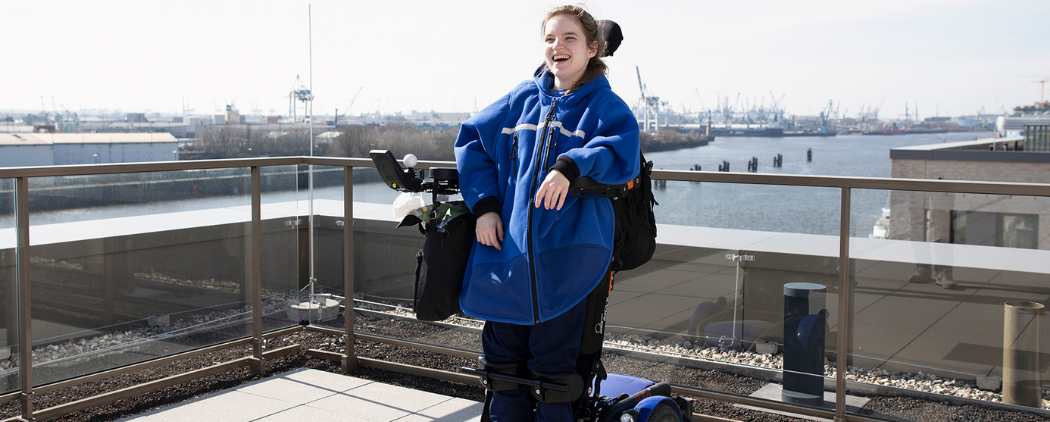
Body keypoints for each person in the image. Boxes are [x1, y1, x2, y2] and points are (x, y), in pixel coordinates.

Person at [454, 5, 639, 421]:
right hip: (508, 256)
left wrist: (570, 166)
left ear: (593, 48)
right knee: (502, 372)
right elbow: (470, 142)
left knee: (553, 378)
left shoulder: (605, 107)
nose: (558, 46)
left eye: (570, 38)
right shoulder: (520, 99)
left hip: (569, 260)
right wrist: (484, 208)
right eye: (551, 38)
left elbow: (621, 151)